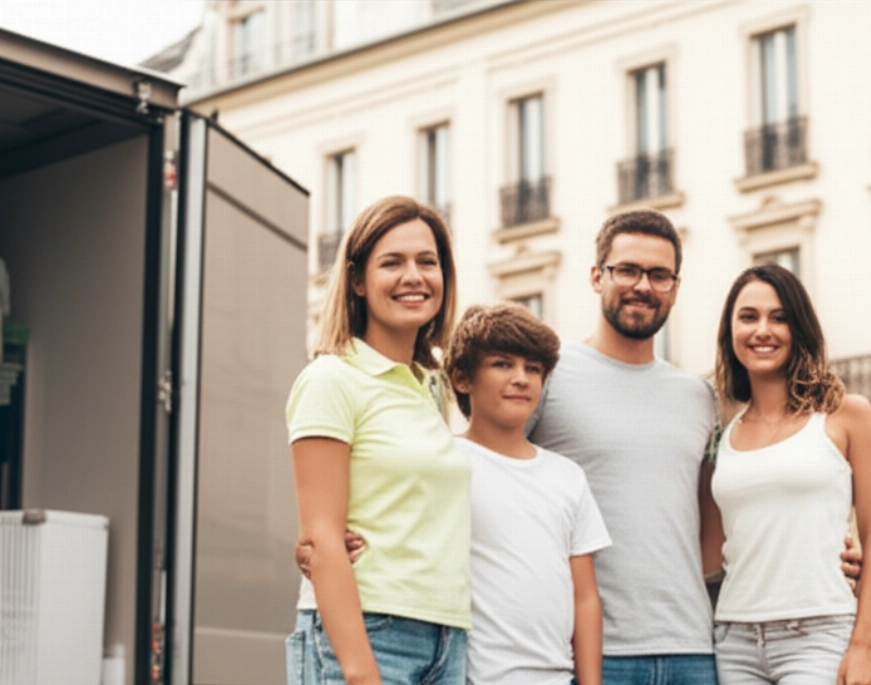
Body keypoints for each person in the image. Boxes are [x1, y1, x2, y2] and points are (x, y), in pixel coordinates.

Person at [526, 209, 721, 684]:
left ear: (675, 287)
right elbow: (487, 473)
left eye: (659, 274)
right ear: (597, 277)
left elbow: (716, 521)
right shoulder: (546, 374)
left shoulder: (698, 396)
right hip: (586, 653)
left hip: (693, 651)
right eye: (627, 270)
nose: (643, 286)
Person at [285, 196, 469, 685]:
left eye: (427, 262)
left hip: (446, 638)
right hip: (369, 633)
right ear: (358, 280)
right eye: (393, 262)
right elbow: (322, 537)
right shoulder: (331, 379)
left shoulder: (432, 388)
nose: (414, 276)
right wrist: (361, 672)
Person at [702, 263, 871, 685]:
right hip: (734, 638)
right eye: (748, 317)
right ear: (730, 333)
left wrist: (863, 645)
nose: (763, 330)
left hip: (819, 634)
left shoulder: (847, 414)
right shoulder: (721, 431)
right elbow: (712, 548)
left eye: (779, 317)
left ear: (799, 328)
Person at [445, 303, 611, 685]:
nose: (521, 378)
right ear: (462, 379)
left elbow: (584, 597)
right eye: (503, 364)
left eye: (533, 369)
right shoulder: (447, 463)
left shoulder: (567, 477)